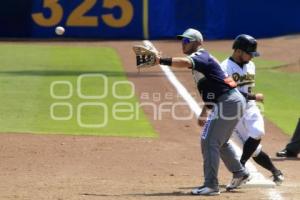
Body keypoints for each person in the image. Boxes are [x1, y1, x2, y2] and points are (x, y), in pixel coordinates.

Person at [154, 28, 249, 196]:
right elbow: (215, 88)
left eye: (186, 41)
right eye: (182, 41)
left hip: (228, 102)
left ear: (197, 42)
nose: (183, 44)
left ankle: (211, 185)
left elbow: (184, 63)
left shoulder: (201, 56)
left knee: (209, 141)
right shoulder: (203, 59)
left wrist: (161, 60)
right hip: (231, 101)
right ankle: (239, 172)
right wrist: (205, 111)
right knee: (220, 142)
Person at [220, 34, 284, 185]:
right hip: (233, 111)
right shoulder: (224, 67)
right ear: (238, 51)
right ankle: (276, 171)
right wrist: (254, 96)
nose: (252, 57)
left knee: (258, 132)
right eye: (250, 54)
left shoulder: (251, 66)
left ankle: (240, 167)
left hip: (249, 107)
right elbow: (230, 92)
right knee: (254, 150)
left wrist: (251, 99)